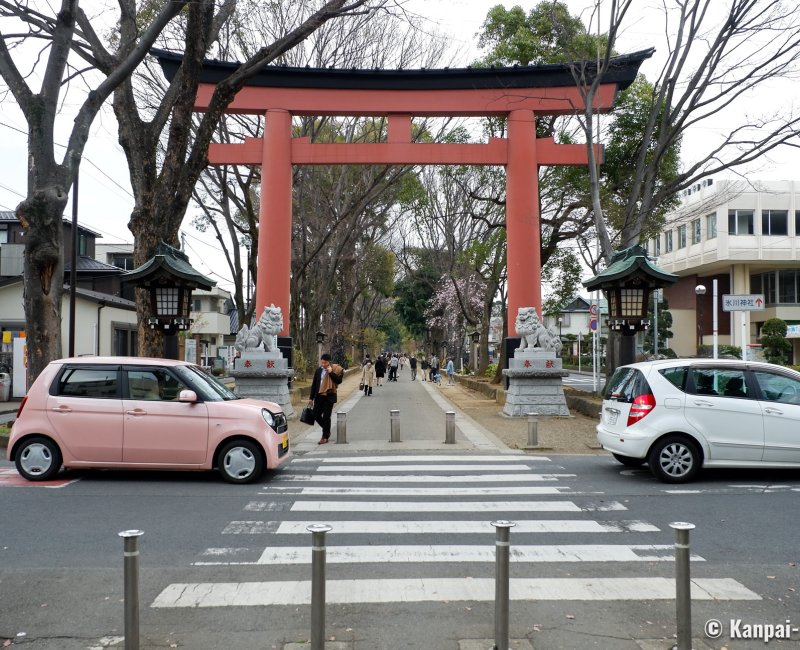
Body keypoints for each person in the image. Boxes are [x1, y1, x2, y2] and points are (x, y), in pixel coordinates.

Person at [308, 353, 344, 444]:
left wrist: (331, 372)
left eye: (325, 363)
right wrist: (311, 398)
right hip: (319, 396)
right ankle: (327, 430)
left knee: (326, 417)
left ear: (329, 362)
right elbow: (314, 384)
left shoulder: (334, 369)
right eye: (322, 362)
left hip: (329, 396)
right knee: (316, 415)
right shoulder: (318, 371)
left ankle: (324, 437)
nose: (323, 364)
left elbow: (339, 381)